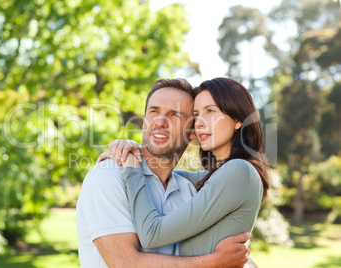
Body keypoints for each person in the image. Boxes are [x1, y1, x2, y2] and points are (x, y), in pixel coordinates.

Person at [76, 78, 253, 267]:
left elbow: (231, 256)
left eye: (174, 115)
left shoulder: (189, 191)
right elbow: (125, 264)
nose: (160, 122)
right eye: (154, 112)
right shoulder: (108, 176)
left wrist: (241, 259)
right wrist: (214, 262)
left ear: (193, 131)